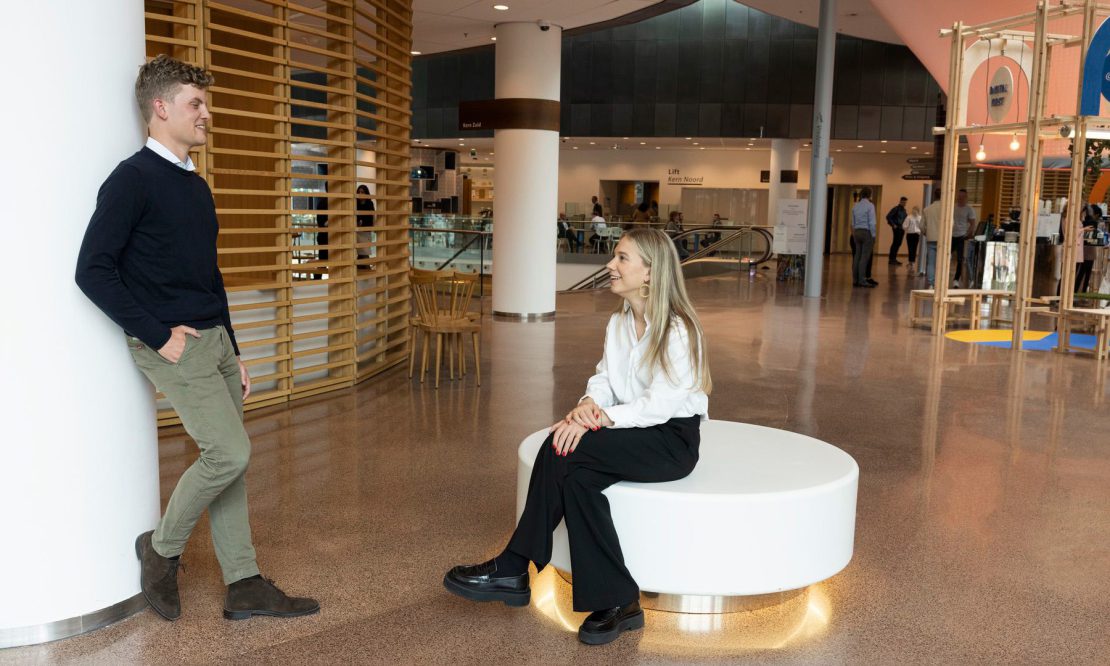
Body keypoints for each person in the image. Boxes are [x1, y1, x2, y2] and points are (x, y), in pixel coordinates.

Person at [74, 55, 318, 622]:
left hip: (215, 342)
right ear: (160, 109)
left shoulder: (195, 185)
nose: (207, 114)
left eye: (204, 103)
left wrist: (234, 347)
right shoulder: (131, 179)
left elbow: (209, 275)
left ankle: (245, 582)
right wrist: (159, 336)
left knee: (230, 463)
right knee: (229, 452)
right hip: (172, 343)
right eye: (195, 104)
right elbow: (92, 270)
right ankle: (159, 552)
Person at [443, 228, 711, 646]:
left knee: (561, 448)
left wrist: (597, 419)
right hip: (630, 427)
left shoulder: (677, 329)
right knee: (578, 480)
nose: (610, 265)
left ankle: (514, 566)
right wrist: (589, 402)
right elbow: (605, 377)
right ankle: (621, 603)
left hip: (670, 440)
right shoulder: (619, 322)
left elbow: (659, 405)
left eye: (622, 258)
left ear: (649, 273)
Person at [851, 188, 877, 288]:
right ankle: (862, 280)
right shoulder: (870, 206)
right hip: (866, 232)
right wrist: (873, 236)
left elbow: (852, 223)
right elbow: (872, 223)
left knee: (857, 256)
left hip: (857, 232)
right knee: (864, 257)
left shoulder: (855, 206)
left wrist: (854, 234)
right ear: (869, 195)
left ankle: (855, 280)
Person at [951, 188, 977, 288]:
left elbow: (972, 224)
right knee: (946, 257)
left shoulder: (969, 209)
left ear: (966, 198)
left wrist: (967, 234)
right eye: (959, 197)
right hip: (951, 236)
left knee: (960, 259)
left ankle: (956, 280)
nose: (960, 198)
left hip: (962, 236)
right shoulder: (953, 208)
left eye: (962, 197)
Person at [921, 189, 943, 287]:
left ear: (934, 196)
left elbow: (921, 226)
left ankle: (931, 284)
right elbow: (952, 224)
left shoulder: (927, 209)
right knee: (942, 262)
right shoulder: (946, 208)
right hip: (943, 240)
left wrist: (927, 232)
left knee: (931, 262)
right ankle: (940, 283)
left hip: (931, 238)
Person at [886, 196, 908, 265]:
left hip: (902, 229)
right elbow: (888, 216)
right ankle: (891, 259)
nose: (904, 203)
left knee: (898, 243)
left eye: (905, 202)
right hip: (897, 228)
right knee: (895, 243)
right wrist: (893, 225)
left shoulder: (904, 210)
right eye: (903, 202)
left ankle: (894, 259)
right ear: (900, 201)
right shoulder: (896, 209)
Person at [356, 183, 375, 261]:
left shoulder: (370, 204)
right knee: (361, 254)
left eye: (362, 192)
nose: (360, 194)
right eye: (359, 192)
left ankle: (368, 271)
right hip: (357, 232)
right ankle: (366, 270)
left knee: (364, 254)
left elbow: (373, 217)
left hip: (366, 232)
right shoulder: (355, 203)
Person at [903, 205, 923, 275]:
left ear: (918, 211)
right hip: (910, 234)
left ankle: (912, 262)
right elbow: (904, 226)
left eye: (916, 210)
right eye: (914, 209)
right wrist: (907, 227)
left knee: (914, 248)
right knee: (910, 248)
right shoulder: (909, 217)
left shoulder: (920, 218)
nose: (915, 211)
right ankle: (910, 262)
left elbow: (921, 226)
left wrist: (918, 222)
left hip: (916, 234)